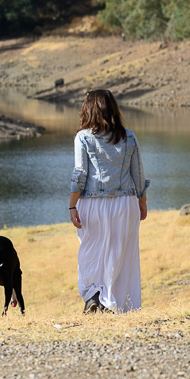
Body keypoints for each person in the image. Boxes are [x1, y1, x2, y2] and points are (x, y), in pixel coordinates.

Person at [68, 89, 149, 314]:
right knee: (120, 254)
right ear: (113, 109)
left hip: (92, 204)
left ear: (88, 109)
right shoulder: (129, 136)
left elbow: (80, 173)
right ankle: (111, 301)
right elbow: (139, 174)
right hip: (125, 203)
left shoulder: (83, 137)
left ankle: (93, 295)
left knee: (90, 251)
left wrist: (72, 204)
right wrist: (142, 200)